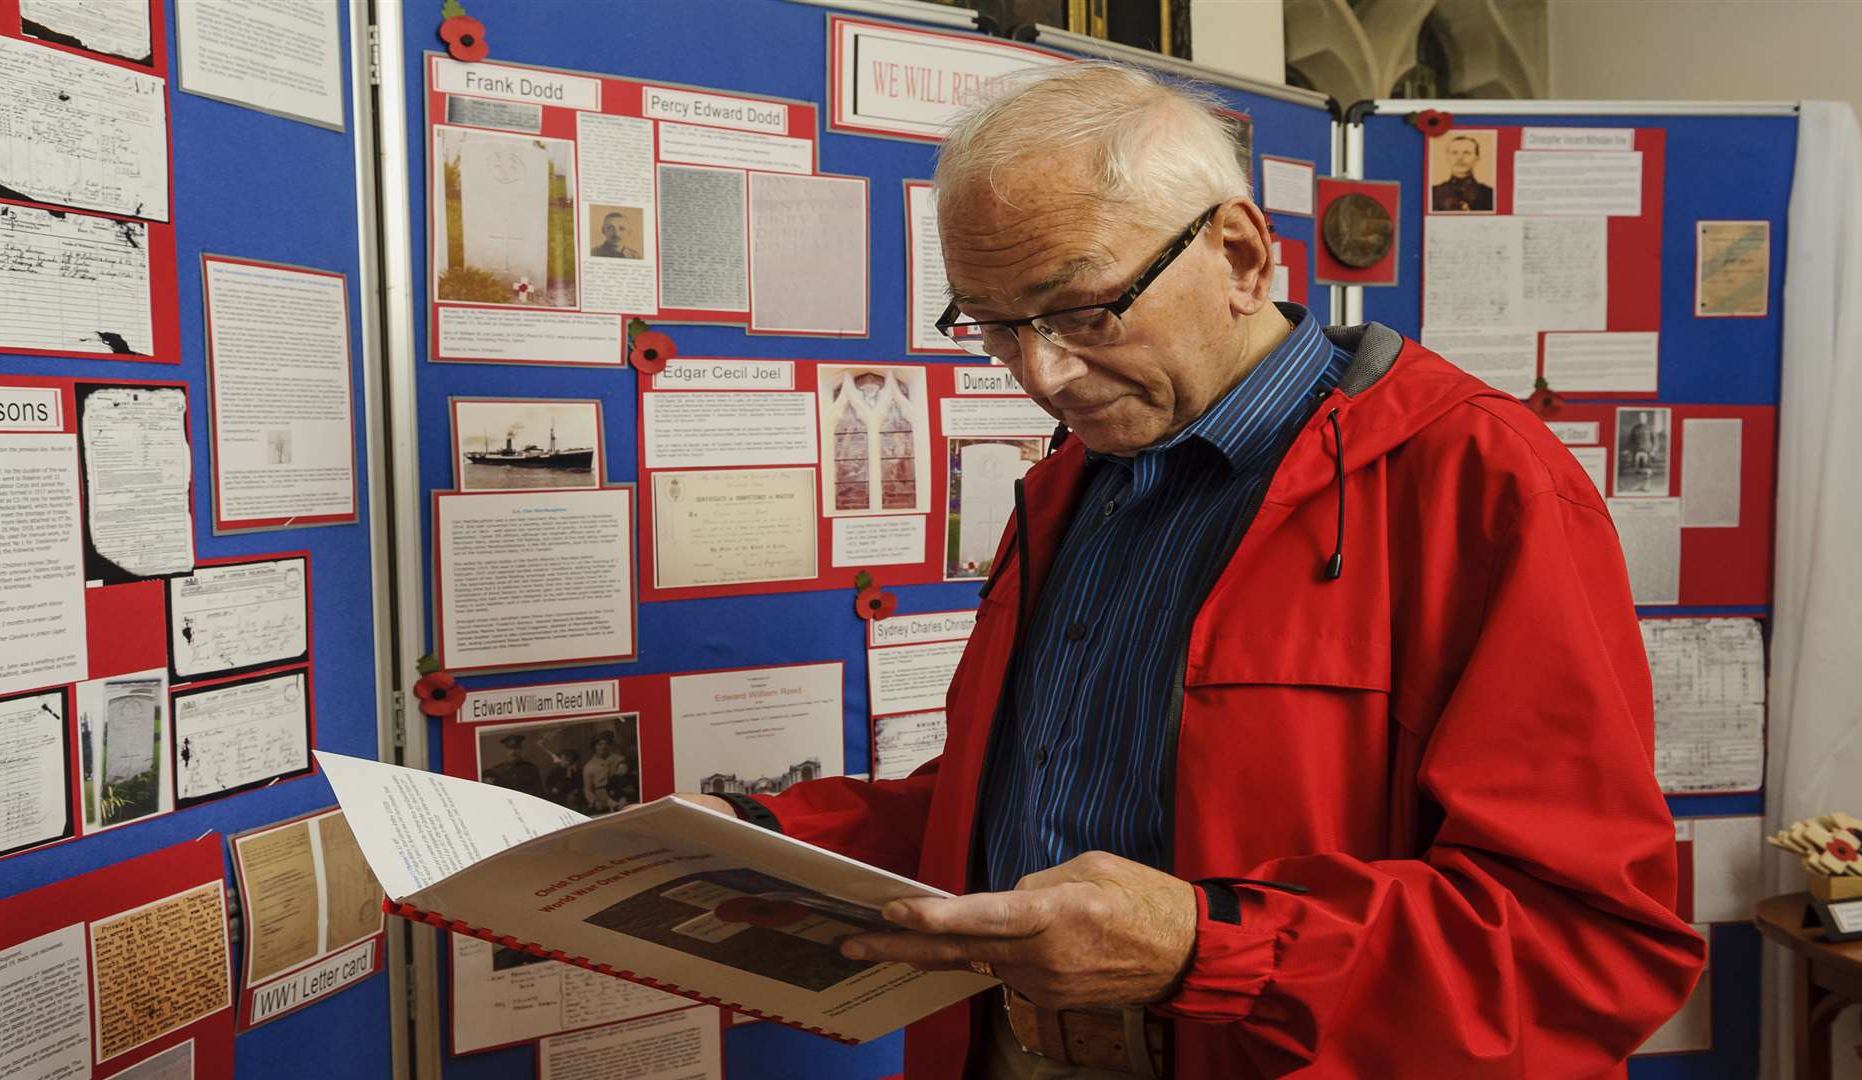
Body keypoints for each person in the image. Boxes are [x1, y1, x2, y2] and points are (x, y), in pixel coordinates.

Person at [678, 62, 1702, 1079]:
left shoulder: (1479, 482)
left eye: (1082, 311)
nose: (1043, 376)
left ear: (1243, 256)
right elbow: (1023, 812)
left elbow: (1583, 944)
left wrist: (1205, 952)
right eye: (994, 325)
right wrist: (759, 833)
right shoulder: (1075, 481)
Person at [1430, 134, 1494, 212]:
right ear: (1447, 157)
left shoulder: (1489, 194)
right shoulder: (1433, 193)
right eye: (1454, 153)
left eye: (1466, 153)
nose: (1460, 158)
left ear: (1477, 158)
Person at [580, 732, 624, 813]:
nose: (603, 747)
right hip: (601, 800)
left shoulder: (620, 760)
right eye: (599, 744)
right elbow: (588, 789)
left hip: (621, 796)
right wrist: (594, 801)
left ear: (611, 745)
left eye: (606, 744)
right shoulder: (589, 766)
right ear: (594, 747)